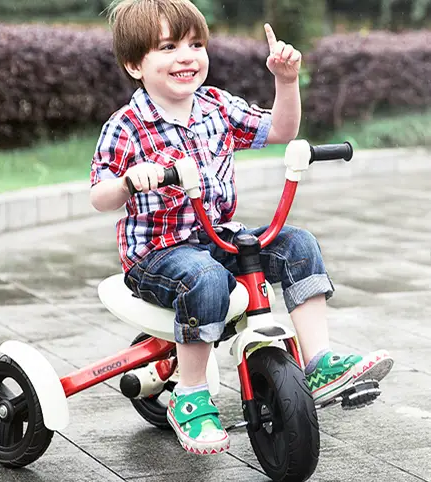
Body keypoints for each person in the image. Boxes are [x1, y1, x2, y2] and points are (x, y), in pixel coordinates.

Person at [90, 0, 394, 455]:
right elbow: (99, 195)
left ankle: (319, 362)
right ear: (136, 65)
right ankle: (190, 395)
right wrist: (129, 180)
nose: (187, 56)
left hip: (218, 236)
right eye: (168, 47)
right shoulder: (127, 127)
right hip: (158, 253)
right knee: (206, 278)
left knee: (295, 243)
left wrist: (285, 81)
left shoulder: (216, 106)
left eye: (195, 44)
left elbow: (281, 130)